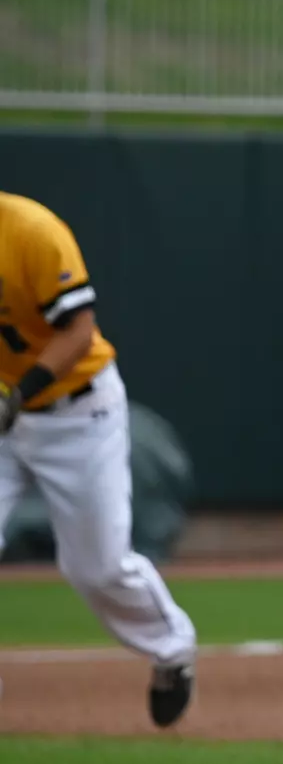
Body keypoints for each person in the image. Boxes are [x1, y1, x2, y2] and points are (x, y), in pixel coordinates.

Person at [0, 192, 196, 726]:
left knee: (97, 565)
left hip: (76, 412)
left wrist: (18, 395)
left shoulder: (32, 231)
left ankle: (171, 648)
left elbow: (77, 329)